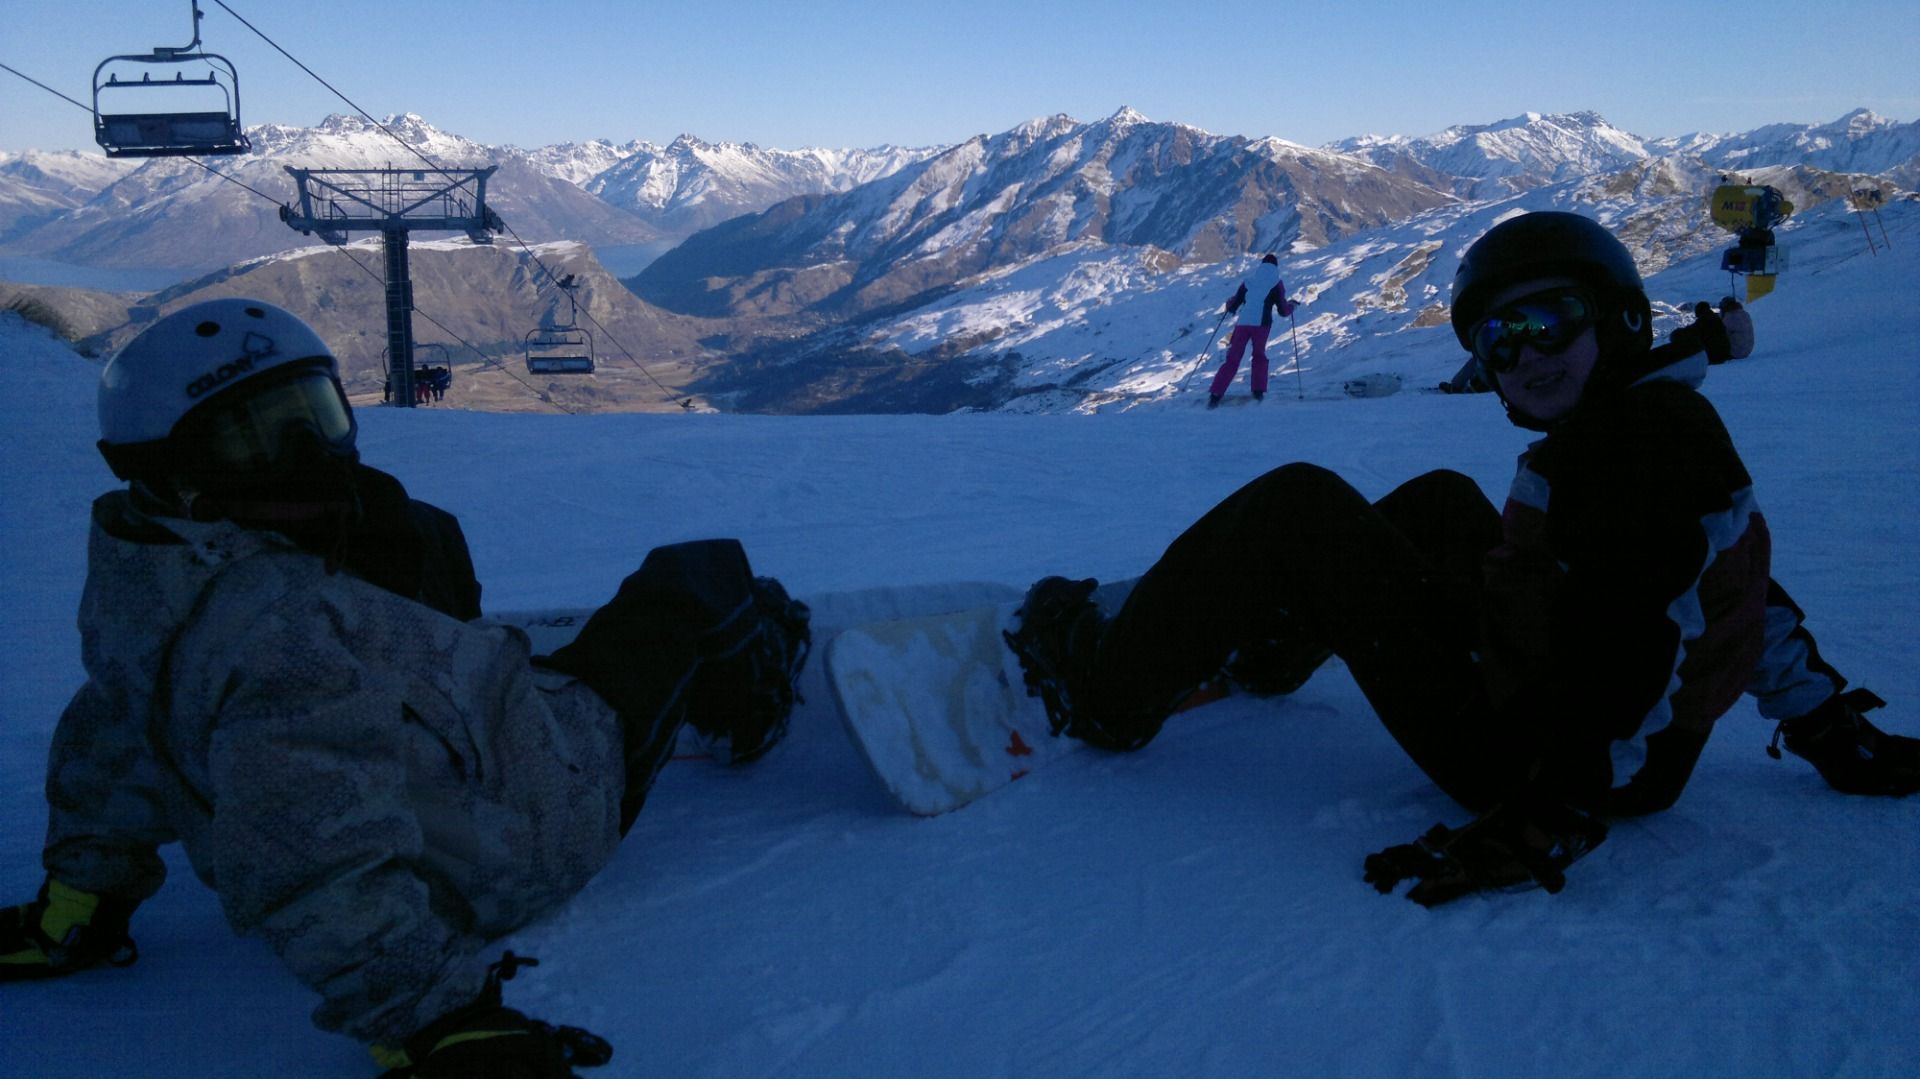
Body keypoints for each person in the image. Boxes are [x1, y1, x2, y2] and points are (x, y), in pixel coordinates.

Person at [1006, 212, 1917, 907]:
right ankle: (1272, 644)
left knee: (1299, 503)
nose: (1524, 355)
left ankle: (1105, 692)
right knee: (1443, 497)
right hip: (1582, 722)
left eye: (1551, 320)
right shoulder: (1641, 424)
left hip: (1540, 763)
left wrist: (1538, 824)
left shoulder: (1632, 456)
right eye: (1499, 339)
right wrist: (1829, 726)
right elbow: (1738, 587)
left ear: (1620, 320)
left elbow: (1639, 651)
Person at [0, 299, 811, 1077]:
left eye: (313, 416)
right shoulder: (284, 641)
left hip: (450, 788)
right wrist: (436, 1021)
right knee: (694, 578)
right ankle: (752, 712)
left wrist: (82, 898)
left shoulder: (144, 583)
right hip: (530, 827)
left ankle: (472, 705)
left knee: (403, 520)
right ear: (167, 468)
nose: (309, 454)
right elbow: (314, 858)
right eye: (254, 441)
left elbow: (114, 732)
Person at [1208, 253, 1298, 409]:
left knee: (1233, 359)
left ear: (1261, 266)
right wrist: (1292, 306)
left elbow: (1234, 305)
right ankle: (1258, 391)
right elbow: (1283, 311)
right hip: (1262, 325)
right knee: (1259, 356)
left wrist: (1230, 303)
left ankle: (1215, 394)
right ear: (1276, 267)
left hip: (1243, 324)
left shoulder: (1248, 282)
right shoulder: (1276, 283)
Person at [1718, 295, 1755, 360]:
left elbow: (1720, 331)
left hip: (1736, 353)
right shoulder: (1744, 314)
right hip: (1747, 350)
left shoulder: (1730, 317)